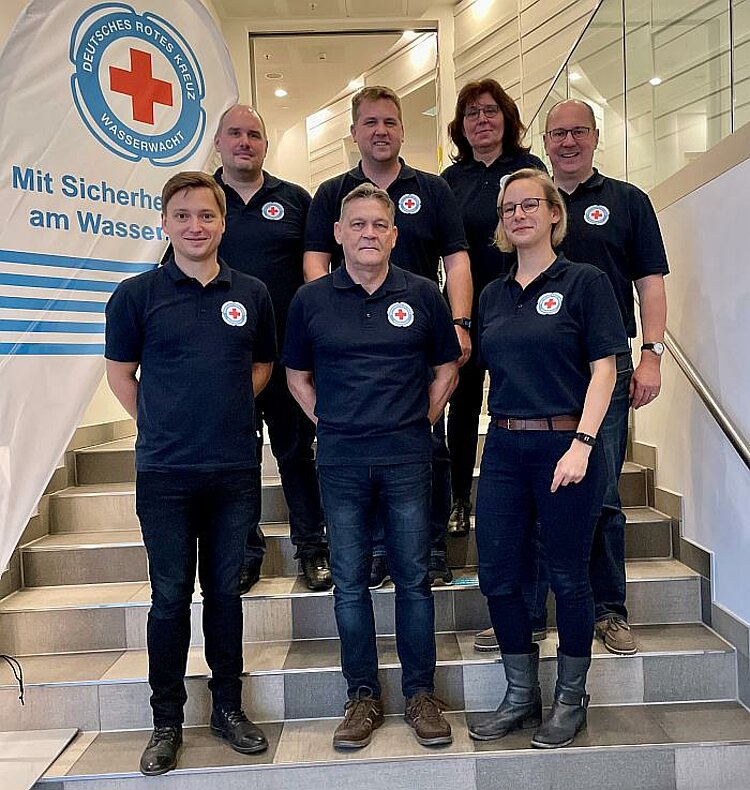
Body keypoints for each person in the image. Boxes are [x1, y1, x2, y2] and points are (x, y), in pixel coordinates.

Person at [475, 99, 669, 657]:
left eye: (578, 132)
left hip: (603, 367)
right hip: (543, 373)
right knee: (538, 499)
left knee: (601, 493)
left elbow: (650, 283)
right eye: (557, 132)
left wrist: (651, 353)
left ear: (595, 136)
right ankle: (529, 616)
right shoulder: (525, 197)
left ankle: (609, 611)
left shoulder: (627, 202)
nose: (567, 141)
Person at [105, 172, 275, 775]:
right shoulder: (136, 295)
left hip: (232, 469)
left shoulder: (251, 292)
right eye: (182, 216)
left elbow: (261, 367)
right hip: (165, 473)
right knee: (170, 597)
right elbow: (121, 374)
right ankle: (167, 720)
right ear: (165, 222)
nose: (195, 226)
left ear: (223, 223)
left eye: (206, 215)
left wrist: (225, 409)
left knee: (225, 594)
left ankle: (228, 708)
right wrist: (160, 420)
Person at [285, 183, 461, 750]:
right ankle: (361, 695)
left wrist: (417, 421)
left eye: (378, 225)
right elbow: (296, 377)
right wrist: (332, 425)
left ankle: (420, 693)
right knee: (349, 585)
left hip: (409, 459)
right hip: (340, 463)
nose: (367, 234)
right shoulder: (310, 301)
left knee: (413, 580)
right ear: (338, 234)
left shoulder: (424, 294)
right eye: (356, 224)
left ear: (394, 233)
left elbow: (446, 369)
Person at [468, 168, 628, 749]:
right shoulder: (493, 294)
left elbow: (604, 368)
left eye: (530, 205)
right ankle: (520, 695)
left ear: (554, 214)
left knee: (567, 575)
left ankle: (570, 698)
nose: (518, 215)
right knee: (500, 576)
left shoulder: (584, 282)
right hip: (506, 446)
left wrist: (583, 444)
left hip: (566, 446)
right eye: (509, 208)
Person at [304, 85, 472, 586]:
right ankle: (376, 551)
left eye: (391, 122)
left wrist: (459, 322)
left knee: (430, 447)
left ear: (402, 130)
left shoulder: (434, 188)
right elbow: (315, 260)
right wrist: (333, 315)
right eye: (371, 122)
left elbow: (456, 259)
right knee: (360, 458)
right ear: (354, 132)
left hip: (416, 344)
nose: (381, 131)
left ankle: (432, 547)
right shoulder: (331, 194)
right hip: (351, 352)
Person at [213, 104, 331, 593]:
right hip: (226, 361)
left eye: (254, 134)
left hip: (287, 357)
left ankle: (312, 548)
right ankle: (243, 551)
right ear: (218, 143)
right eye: (235, 134)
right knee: (238, 458)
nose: (245, 142)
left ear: (264, 143)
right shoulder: (202, 201)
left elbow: (320, 268)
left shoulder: (296, 200)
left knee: (296, 453)